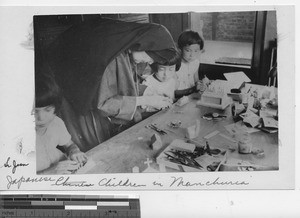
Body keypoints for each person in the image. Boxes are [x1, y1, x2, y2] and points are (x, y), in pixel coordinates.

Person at [46, 17, 180, 141]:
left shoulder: (128, 49)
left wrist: (148, 91)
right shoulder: (111, 57)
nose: (150, 62)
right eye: (151, 57)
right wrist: (146, 100)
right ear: (144, 45)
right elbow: (104, 104)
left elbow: (124, 82)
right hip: (79, 105)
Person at [35, 75, 88, 174]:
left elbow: (69, 145)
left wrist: (74, 151)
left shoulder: (56, 122)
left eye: (48, 110)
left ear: (55, 108)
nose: (41, 118)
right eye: (34, 111)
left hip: (63, 171)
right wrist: (49, 173)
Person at [175, 30, 208, 98]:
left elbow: (196, 80)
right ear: (180, 49)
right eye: (188, 50)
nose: (192, 55)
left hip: (191, 97)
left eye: (196, 51)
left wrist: (201, 85)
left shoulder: (195, 62)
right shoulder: (175, 65)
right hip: (178, 100)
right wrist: (193, 89)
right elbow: (174, 92)